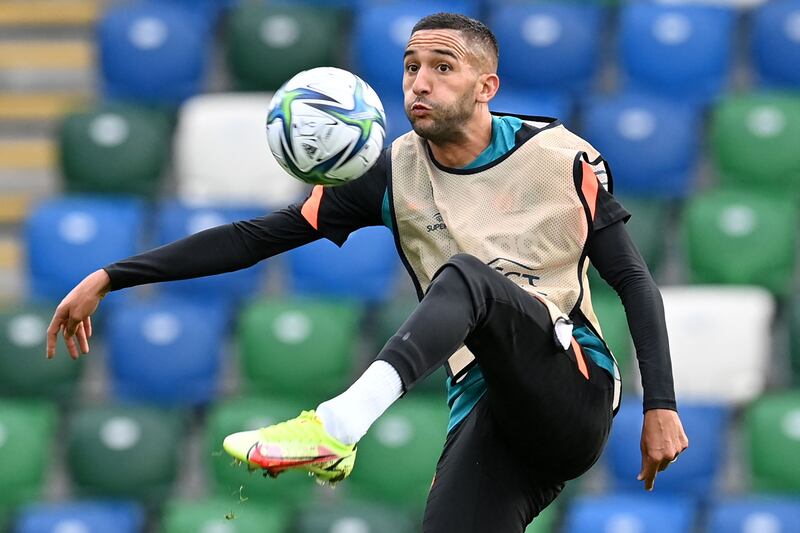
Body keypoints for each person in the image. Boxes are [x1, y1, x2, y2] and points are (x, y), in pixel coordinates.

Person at [48, 13, 688, 532]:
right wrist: (113, 274)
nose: (419, 83)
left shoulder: (560, 158)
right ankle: (340, 430)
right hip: (487, 413)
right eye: (411, 68)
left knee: (466, 276)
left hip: (571, 386)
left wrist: (658, 404)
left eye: (442, 67)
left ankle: (337, 426)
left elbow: (633, 280)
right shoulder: (390, 172)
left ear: (485, 86)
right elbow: (256, 237)